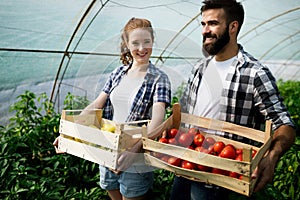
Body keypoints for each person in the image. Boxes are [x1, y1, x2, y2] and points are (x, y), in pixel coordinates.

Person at [169, 0, 296, 200]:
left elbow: (285, 123)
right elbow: (186, 116)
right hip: (186, 166)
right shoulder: (199, 69)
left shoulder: (254, 73)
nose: (205, 30)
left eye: (212, 24)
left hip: (221, 176)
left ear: (233, 27)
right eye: (203, 24)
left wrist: (272, 157)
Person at [54, 17, 171, 200]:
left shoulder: (159, 78)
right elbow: (95, 106)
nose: (141, 49)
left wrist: (134, 150)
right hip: (107, 149)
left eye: (146, 42)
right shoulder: (117, 73)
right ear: (126, 44)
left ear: (153, 41)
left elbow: (157, 121)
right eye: (135, 43)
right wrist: (69, 133)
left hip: (136, 156)